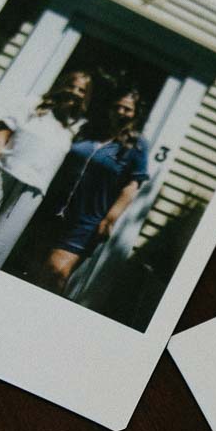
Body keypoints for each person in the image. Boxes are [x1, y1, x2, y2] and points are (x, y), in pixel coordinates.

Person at [0, 70, 92, 267]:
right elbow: (1, 135)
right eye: (71, 85)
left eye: (81, 90)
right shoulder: (33, 104)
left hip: (32, 192)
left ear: (86, 96)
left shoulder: (76, 126)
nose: (74, 92)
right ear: (62, 84)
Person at [41, 87, 150, 294]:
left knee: (55, 272)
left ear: (136, 114)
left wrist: (110, 219)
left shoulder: (137, 144)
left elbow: (132, 185)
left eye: (127, 109)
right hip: (54, 210)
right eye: (116, 106)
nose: (120, 112)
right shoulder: (89, 131)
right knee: (41, 272)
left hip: (87, 220)